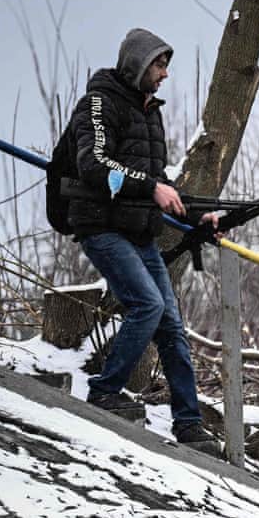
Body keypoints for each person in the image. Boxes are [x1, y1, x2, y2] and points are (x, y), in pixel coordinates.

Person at [55, 28, 222, 456]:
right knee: (147, 305)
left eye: (166, 65)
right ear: (137, 64)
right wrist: (150, 188)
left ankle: (188, 423)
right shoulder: (98, 102)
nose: (165, 74)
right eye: (159, 65)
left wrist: (199, 214)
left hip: (138, 230)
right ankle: (106, 389)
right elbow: (95, 164)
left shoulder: (151, 113)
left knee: (170, 324)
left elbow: (159, 181)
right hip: (100, 226)